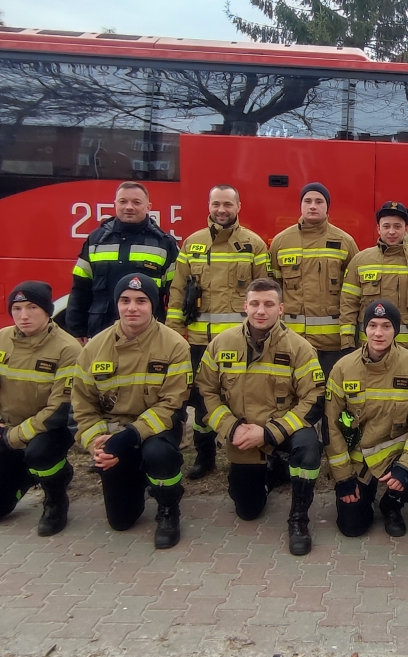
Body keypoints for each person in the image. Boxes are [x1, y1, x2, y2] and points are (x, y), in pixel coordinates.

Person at [195, 278, 325, 554]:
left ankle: (299, 517)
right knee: (248, 510)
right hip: (242, 434)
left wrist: (269, 433)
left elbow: (313, 399)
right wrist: (232, 428)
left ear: (281, 309)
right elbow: (204, 392)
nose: (261, 311)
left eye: (269, 304)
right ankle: (273, 471)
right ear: (245, 306)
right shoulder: (221, 344)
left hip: (283, 430)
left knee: (309, 448)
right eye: (254, 304)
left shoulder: (299, 348)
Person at [72, 273, 192, 549]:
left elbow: (171, 403)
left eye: (141, 301)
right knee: (121, 520)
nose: (132, 308)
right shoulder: (94, 348)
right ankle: (136, 478)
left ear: (153, 306)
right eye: (125, 300)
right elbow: (83, 403)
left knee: (159, 454)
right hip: (112, 433)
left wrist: (128, 437)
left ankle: (168, 508)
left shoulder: (174, 345)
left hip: (158, 427)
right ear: (117, 304)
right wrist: (96, 443)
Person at [166, 184, 273, 480]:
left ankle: (252, 457)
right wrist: (174, 337)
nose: (221, 210)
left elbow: (265, 296)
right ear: (209, 206)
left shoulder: (254, 245)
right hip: (200, 342)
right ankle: (205, 458)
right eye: (216, 204)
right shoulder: (192, 244)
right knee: (203, 403)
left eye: (227, 204)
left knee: (247, 401)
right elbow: (178, 293)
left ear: (238, 207)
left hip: (243, 344)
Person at [0, 281, 81, 536]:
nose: (24, 315)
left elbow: (61, 408)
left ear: (47, 311)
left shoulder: (67, 349)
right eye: (17, 308)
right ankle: (30, 474)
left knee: (40, 453)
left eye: (32, 307)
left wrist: (14, 437)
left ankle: (55, 498)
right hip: (8, 430)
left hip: (51, 429)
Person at [326, 300, 408, 538]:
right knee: (352, 528)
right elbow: (330, 427)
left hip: (394, 456)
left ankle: (392, 504)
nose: (378, 333)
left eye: (386, 326)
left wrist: (406, 467)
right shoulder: (343, 368)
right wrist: (343, 478)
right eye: (373, 325)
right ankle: (364, 498)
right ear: (364, 328)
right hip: (358, 461)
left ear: (395, 330)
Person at [269, 183, 360, 380]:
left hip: (332, 344)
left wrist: (349, 341)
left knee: (329, 394)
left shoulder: (345, 242)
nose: (312, 206)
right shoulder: (281, 242)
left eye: (319, 201)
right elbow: (273, 291)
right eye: (307, 201)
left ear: (327, 207)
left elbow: (354, 295)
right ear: (300, 205)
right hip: (291, 341)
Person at [67, 181, 178, 341]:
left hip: (147, 335)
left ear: (148, 207)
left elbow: (175, 295)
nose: (129, 207)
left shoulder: (165, 244)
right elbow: (80, 290)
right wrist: (77, 331)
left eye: (136, 202)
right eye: (123, 201)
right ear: (115, 204)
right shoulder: (96, 240)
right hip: (101, 333)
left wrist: (171, 333)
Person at [340, 201, 408, 359]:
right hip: (368, 349)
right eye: (386, 226)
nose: (392, 231)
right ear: (378, 229)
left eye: (397, 226)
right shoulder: (360, 261)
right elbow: (348, 305)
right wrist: (347, 344)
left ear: (406, 229)